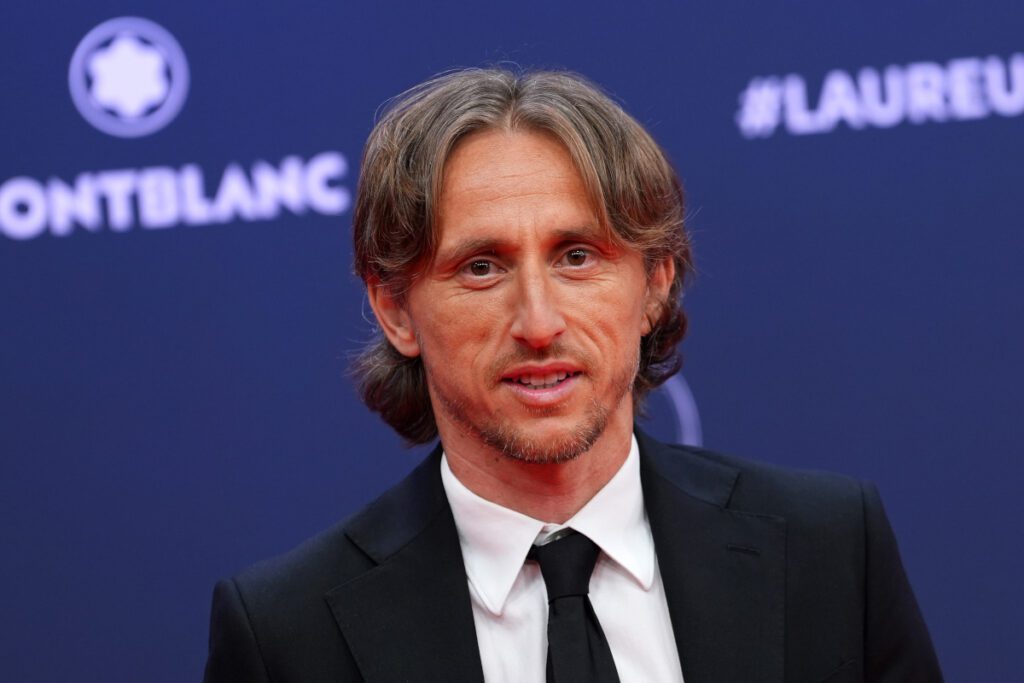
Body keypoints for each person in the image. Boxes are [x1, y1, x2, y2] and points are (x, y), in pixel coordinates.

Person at [204, 68, 942, 682]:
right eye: (482, 267)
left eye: (577, 257)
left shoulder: (828, 551)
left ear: (656, 281)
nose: (538, 321)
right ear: (396, 309)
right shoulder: (286, 635)